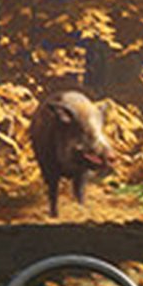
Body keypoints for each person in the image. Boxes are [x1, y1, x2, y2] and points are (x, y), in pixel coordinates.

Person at [26, 78, 119, 219]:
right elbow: (74, 148)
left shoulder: (87, 116)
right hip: (52, 146)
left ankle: (80, 205)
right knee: (52, 178)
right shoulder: (50, 128)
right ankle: (54, 207)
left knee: (81, 178)